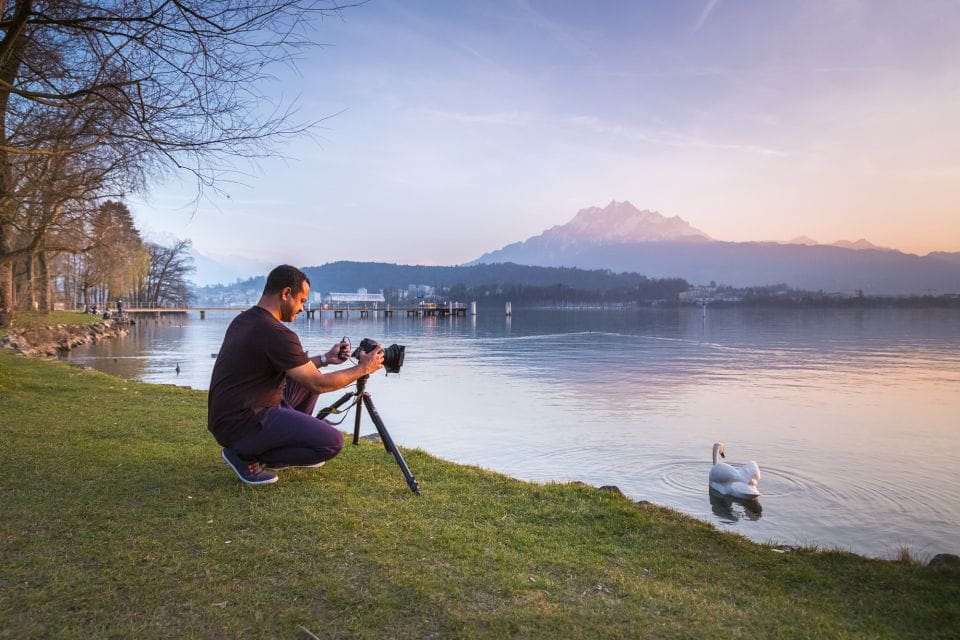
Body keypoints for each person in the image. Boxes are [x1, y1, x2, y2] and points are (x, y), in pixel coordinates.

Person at [207, 264, 384, 485]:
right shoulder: (276, 333)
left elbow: (296, 368)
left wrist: (325, 359)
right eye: (301, 300)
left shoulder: (246, 320)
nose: (302, 308)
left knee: (309, 376)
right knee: (331, 442)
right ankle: (245, 456)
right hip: (245, 423)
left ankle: (267, 443)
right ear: (286, 293)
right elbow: (318, 384)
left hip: (229, 417)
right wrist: (363, 369)